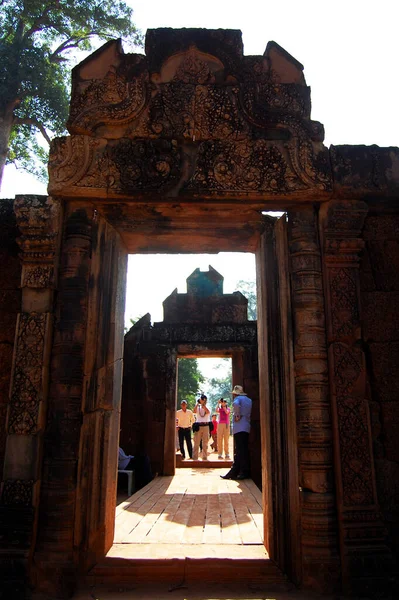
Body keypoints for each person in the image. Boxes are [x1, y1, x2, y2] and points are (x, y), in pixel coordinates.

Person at [221, 385, 252, 480]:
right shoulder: (249, 400)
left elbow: (236, 404)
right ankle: (236, 471)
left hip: (239, 427)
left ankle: (242, 471)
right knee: (243, 449)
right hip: (246, 426)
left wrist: (237, 415)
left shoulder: (237, 399)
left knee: (239, 449)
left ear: (235, 394)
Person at [193, 394, 210, 460]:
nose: (202, 400)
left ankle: (205, 457)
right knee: (196, 442)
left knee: (205, 443)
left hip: (206, 426)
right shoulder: (198, 407)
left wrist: (204, 405)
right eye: (201, 399)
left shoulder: (208, 406)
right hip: (198, 426)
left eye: (203, 399)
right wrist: (197, 403)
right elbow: (194, 411)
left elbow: (208, 412)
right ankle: (195, 457)